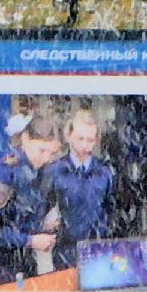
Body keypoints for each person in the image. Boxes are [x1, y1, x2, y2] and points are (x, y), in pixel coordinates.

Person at [0, 115, 63, 285]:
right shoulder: (5, 172)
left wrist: (41, 226)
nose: (46, 158)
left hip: (26, 257)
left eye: (52, 153)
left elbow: (21, 216)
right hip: (1, 259)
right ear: (25, 139)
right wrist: (29, 240)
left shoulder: (41, 171)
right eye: (41, 150)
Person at [45, 109, 113, 269]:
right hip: (65, 252)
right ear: (68, 136)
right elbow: (41, 208)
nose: (85, 145)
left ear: (96, 140)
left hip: (98, 250)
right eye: (80, 138)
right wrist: (46, 223)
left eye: (90, 140)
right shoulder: (55, 171)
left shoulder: (104, 172)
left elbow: (112, 210)